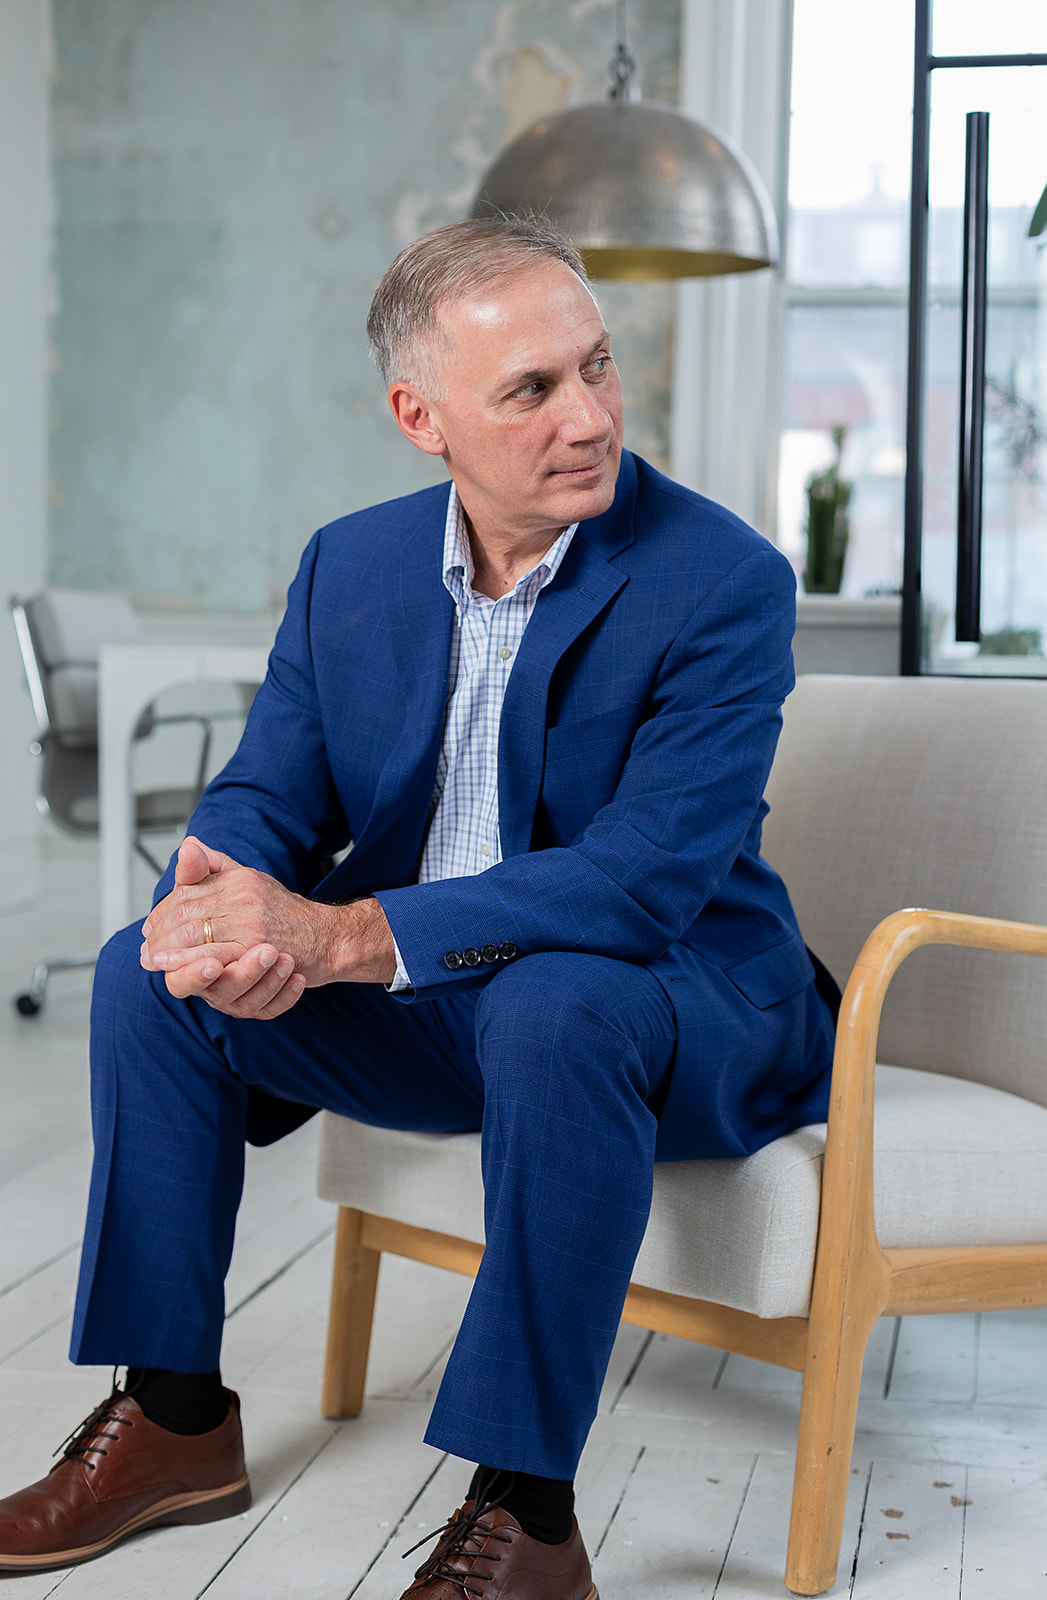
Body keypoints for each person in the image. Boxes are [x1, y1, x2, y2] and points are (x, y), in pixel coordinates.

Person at [0, 216, 836, 1599]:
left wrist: (337, 936)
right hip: (448, 1003)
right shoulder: (353, 568)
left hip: (677, 1001)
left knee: (554, 1000)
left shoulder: (719, 580)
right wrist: (215, 909)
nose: (590, 416)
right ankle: (174, 1418)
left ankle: (531, 1515)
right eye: (532, 390)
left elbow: (642, 881)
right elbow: (266, 794)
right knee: (146, 976)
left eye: (597, 368)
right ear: (420, 418)